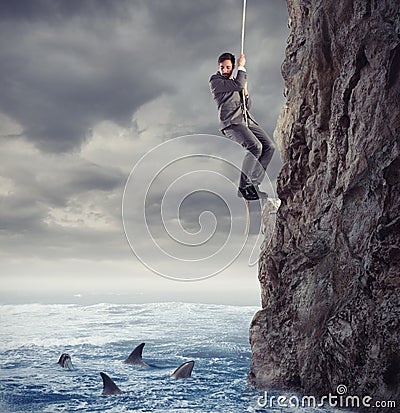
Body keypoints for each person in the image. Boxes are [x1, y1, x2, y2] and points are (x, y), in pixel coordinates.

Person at [209, 52, 275, 200]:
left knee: (269, 146)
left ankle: (254, 184)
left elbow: (247, 105)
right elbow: (238, 84)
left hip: (246, 120)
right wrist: (242, 67)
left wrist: (245, 94)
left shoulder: (235, 82)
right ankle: (243, 187)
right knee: (255, 147)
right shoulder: (215, 81)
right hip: (231, 123)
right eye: (221, 67)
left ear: (231, 68)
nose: (224, 70)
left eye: (227, 67)